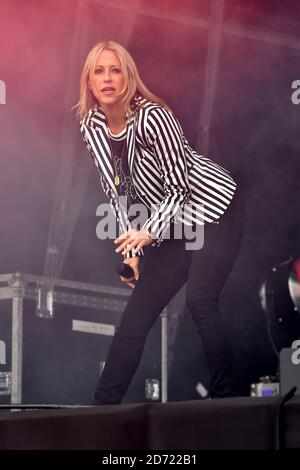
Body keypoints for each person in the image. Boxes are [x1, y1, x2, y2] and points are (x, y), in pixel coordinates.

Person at [77, 40, 246, 404]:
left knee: (200, 301)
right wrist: (132, 251)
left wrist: (148, 233)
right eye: (99, 71)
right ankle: (99, 412)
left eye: (115, 69)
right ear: (89, 82)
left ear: (129, 77)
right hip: (167, 224)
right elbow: (116, 190)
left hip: (214, 210)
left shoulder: (154, 117)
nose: (107, 78)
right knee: (135, 318)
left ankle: (229, 406)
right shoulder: (92, 125)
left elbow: (179, 189)